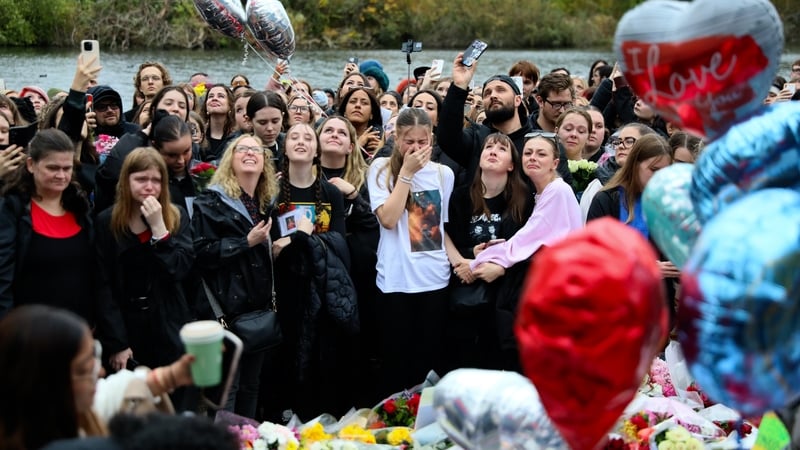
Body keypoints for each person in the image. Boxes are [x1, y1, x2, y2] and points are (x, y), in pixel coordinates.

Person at [0, 304, 196, 450]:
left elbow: (115, 390)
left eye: (96, 355)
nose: (100, 372)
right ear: (47, 385)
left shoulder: (78, 415)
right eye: (86, 368)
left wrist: (173, 375)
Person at [468, 132, 582, 370]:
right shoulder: (539, 194)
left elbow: (529, 238)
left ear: (555, 163)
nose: (533, 158)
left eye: (541, 154)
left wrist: (488, 259)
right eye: (528, 153)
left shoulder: (557, 191)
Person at [191, 134, 280, 419]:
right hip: (225, 310)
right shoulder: (211, 201)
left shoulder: (265, 202)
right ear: (231, 158)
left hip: (257, 308)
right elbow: (201, 252)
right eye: (243, 149)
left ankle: (248, 440)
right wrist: (246, 243)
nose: (251, 153)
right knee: (228, 388)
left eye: (257, 150)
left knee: (252, 385)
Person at [367, 108, 456, 392]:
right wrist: (405, 173)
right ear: (396, 138)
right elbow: (389, 219)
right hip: (395, 281)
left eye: (422, 142)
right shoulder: (380, 169)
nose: (416, 149)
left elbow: (437, 230)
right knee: (395, 364)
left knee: (427, 365)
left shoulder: (444, 174)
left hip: (433, 280)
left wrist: (460, 261)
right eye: (409, 142)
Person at [270, 123, 353, 418]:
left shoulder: (331, 193)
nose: (301, 141)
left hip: (320, 286)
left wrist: (299, 236)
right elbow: (268, 245)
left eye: (308, 137)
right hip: (283, 287)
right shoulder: (272, 191)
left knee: (320, 358)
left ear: (317, 149)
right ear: (284, 146)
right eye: (294, 137)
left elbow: (340, 243)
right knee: (285, 354)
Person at [95, 147, 193, 387]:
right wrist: (117, 343)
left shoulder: (177, 216)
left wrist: (160, 230)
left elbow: (180, 269)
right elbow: (101, 285)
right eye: (141, 179)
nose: (149, 187)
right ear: (126, 181)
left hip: (168, 325)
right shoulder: (107, 222)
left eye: (156, 180)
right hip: (128, 326)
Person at [444, 133, 531, 371]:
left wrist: (500, 267)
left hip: (502, 299)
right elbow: (447, 236)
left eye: (501, 149)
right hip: (465, 293)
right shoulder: (460, 196)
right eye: (488, 147)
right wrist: (467, 259)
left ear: (512, 165)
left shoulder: (523, 200)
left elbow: (527, 248)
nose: (492, 151)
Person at [0, 129, 97, 323]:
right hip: (28, 332)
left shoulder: (80, 209)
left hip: (76, 330)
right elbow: (2, 279)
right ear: (31, 165)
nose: (61, 175)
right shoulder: (12, 209)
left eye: (67, 168)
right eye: (52, 168)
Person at [317, 115, 381, 405]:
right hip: (318, 275)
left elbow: (377, 225)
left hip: (357, 275)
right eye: (327, 130)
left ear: (350, 145)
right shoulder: (303, 178)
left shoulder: (366, 180)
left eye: (341, 132)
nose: (334, 135)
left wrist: (353, 195)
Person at [437, 55, 572, 189]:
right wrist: (459, 86)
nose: (493, 95)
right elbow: (447, 137)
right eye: (487, 93)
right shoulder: (475, 137)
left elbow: (562, 191)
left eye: (501, 90)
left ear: (517, 100)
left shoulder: (543, 142)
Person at [586, 133, 678, 315]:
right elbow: (592, 258)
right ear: (635, 166)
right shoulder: (607, 199)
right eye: (654, 169)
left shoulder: (669, 203)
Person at [95, 86, 191, 213]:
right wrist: (144, 133)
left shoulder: (192, 147)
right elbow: (109, 175)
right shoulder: (135, 141)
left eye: (182, 106)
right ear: (154, 110)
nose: (175, 109)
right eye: (168, 103)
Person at [579, 123, 656, 222]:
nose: (621, 146)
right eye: (618, 142)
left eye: (629, 141)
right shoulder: (599, 186)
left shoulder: (656, 187)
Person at [338, 87, 384, 162]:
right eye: (353, 101)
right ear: (344, 112)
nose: (358, 105)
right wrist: (358, 146)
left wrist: (382, 151)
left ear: (371, 114)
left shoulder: (381, 138)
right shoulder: (334, 135)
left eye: (364, 103)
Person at [245, 91, 288, 167]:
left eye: (275, 121)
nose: (270, 128)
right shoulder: (240, 148)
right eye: (262, 122)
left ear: (282, 117)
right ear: (249, 120)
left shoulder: (290, 144)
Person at [200, 84, 236, 161]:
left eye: (221, 96)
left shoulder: (236, 137)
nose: (214, 99)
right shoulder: (199, 135)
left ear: (230, 105)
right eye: (210, 96)